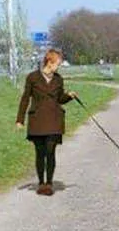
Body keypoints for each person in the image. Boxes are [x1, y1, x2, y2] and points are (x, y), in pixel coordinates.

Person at [15, 49, 78, 196]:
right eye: (57, 64)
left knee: (50, 151)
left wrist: (69, 96)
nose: (59, 67)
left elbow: (59, 99)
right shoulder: (32, 78)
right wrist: (20, 120)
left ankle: (49, 183)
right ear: (49, 62)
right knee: (40, 153)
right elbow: (25, 98)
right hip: (37, 121)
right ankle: (41, 182)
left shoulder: (58, 79)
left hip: (54, 121)